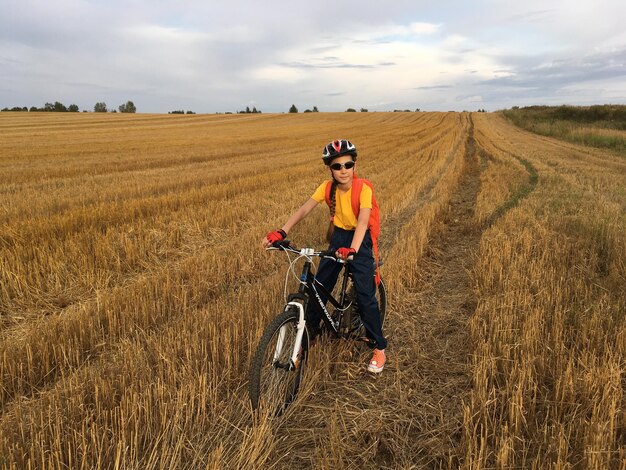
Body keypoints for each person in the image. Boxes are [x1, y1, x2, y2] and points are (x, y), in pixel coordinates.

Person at [262, 139, 387, 373]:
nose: (343, 171)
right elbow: (304, 209)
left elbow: (362, 221)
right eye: (337, 166)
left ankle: (379, 347)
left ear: (354, 165)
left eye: (348, 165)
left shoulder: (364, 188)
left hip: (359, 240)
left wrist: (354, 249)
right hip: (339, 236)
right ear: (329, 169)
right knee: (318, 288)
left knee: (365, 294)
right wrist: (282, 231)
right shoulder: (326, 188)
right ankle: (311, 335)